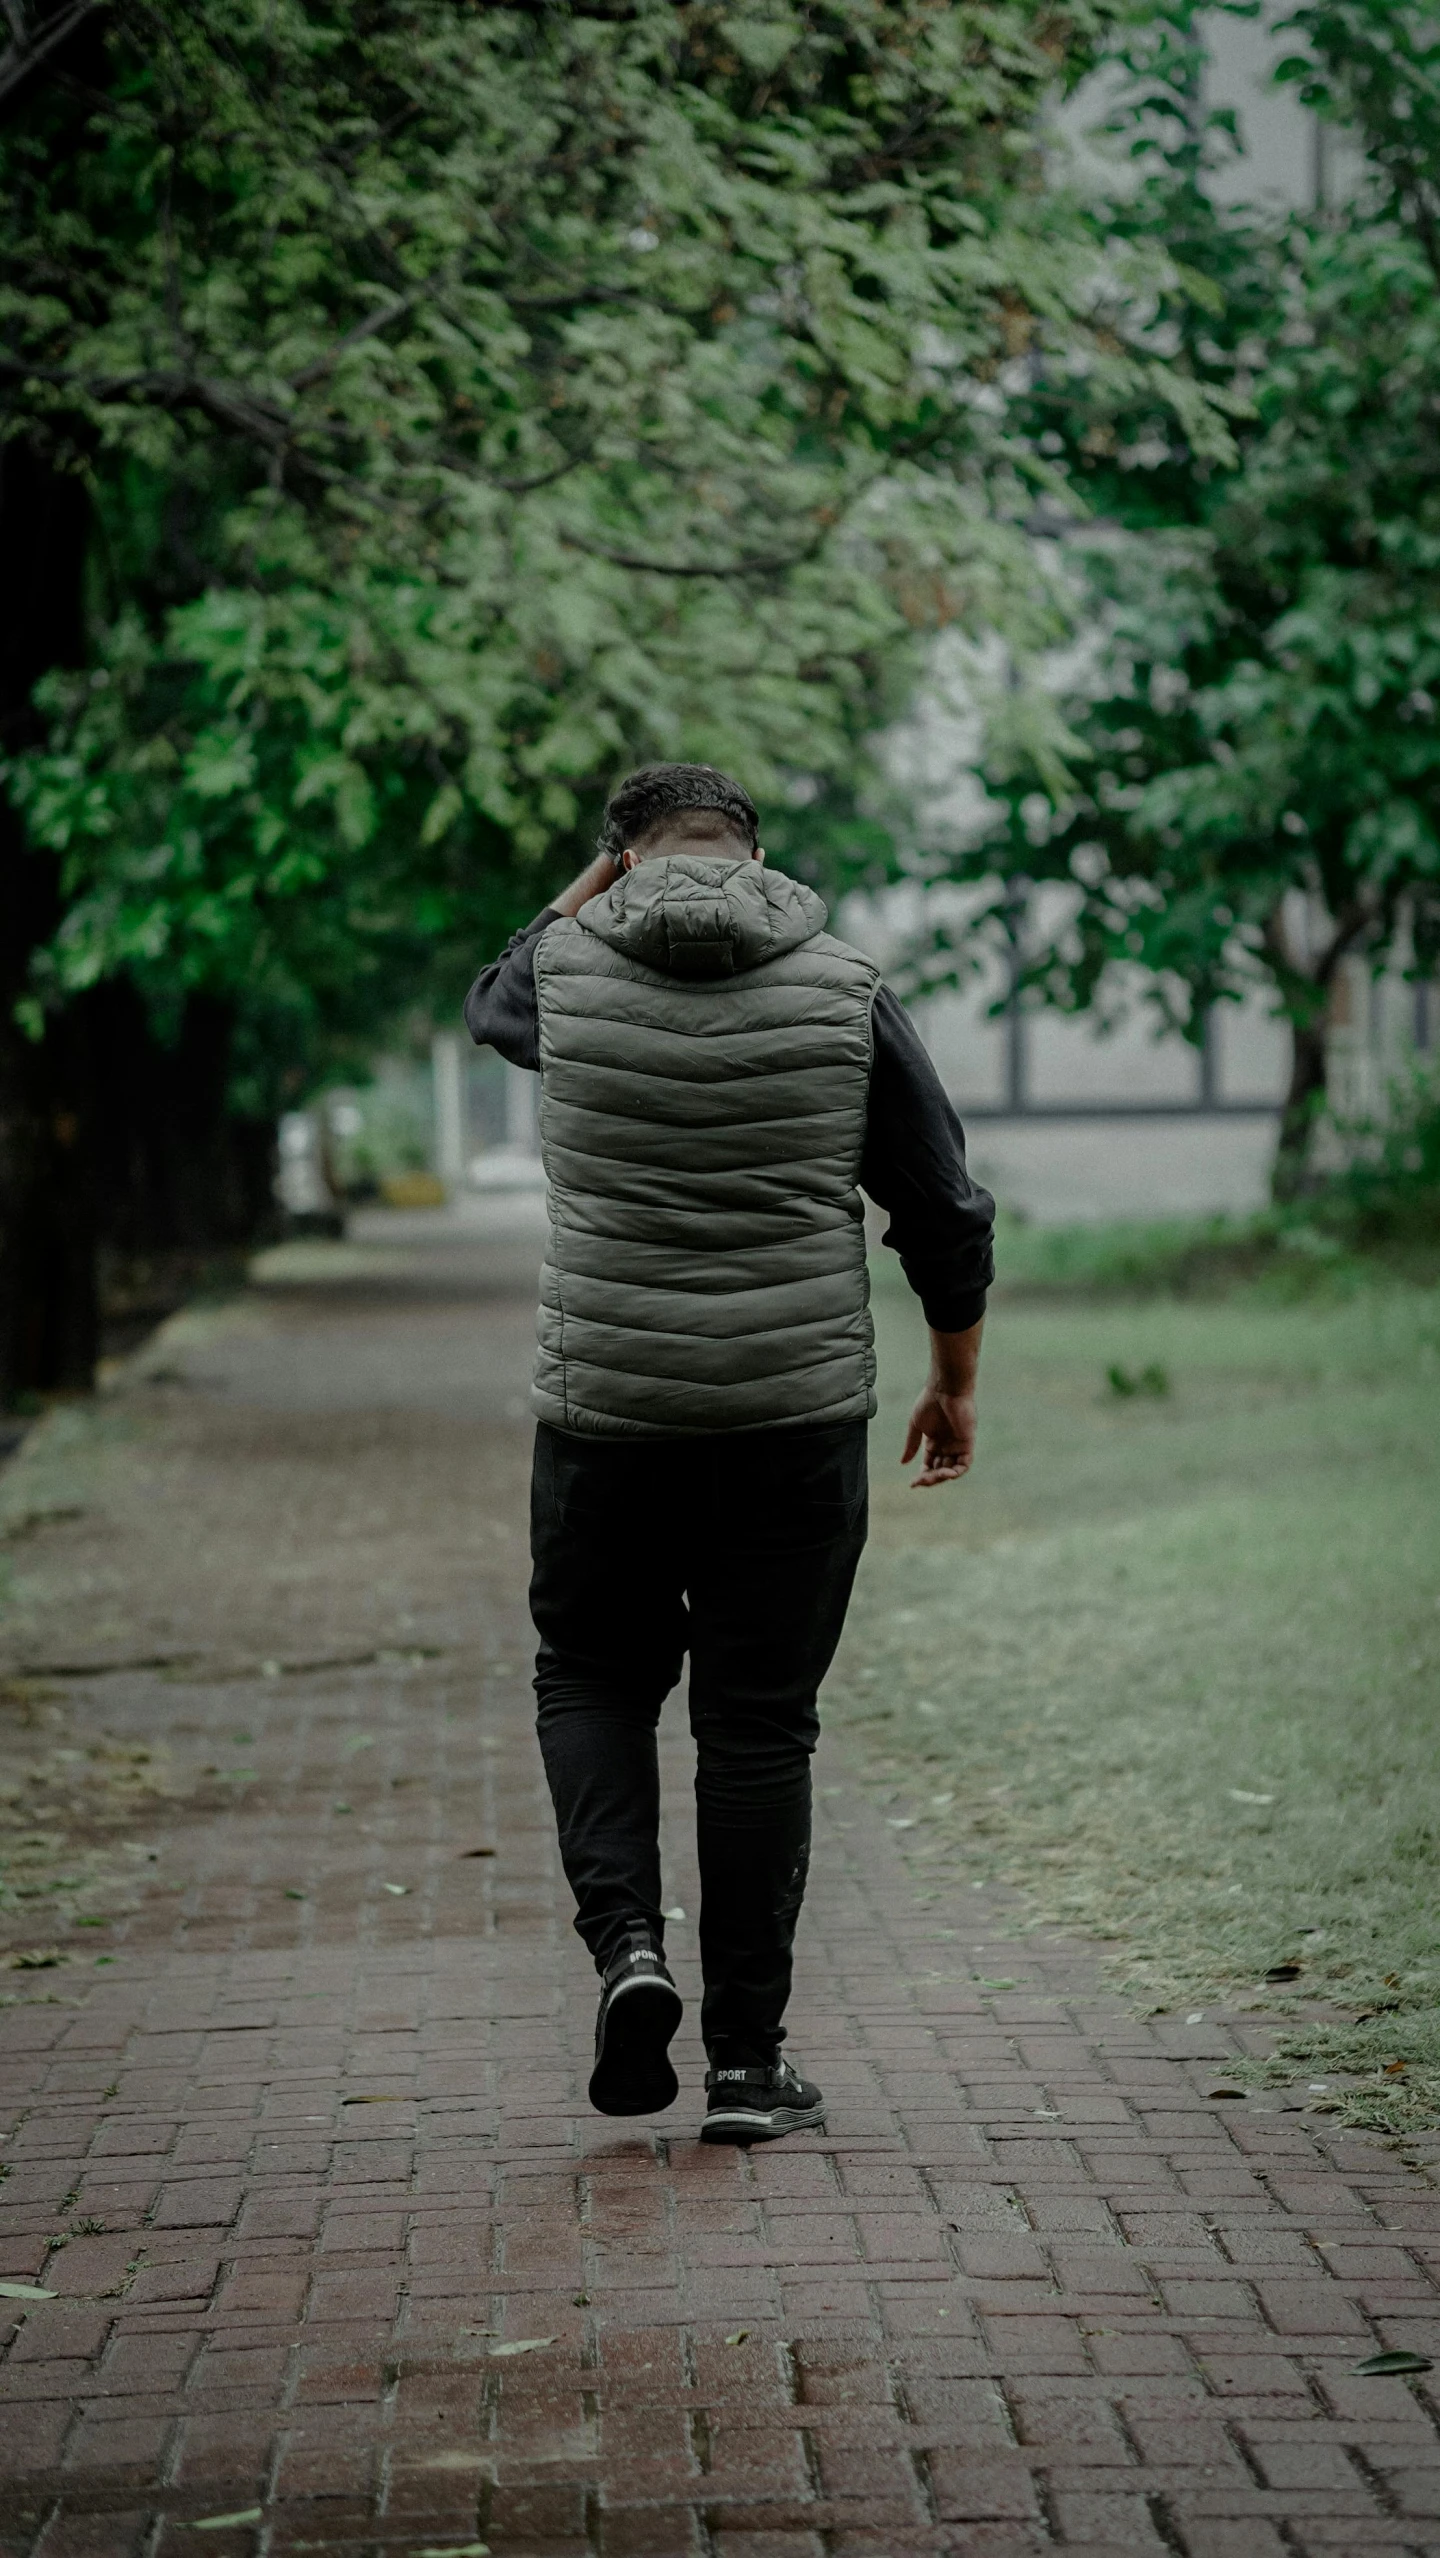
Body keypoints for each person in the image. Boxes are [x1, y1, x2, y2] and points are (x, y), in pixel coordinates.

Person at [465, 763, 994, 2142]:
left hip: (609, 1415)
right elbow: (942, 1201)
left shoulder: (562, 979)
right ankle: (751, 2069)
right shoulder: (847, 986)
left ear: (622, 856)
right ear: (755, 854)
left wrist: (594, 887)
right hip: (794, 1414)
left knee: (590, 1669)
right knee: (757, 1722)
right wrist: (953, 1382)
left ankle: (630, 1946)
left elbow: (491, 996)